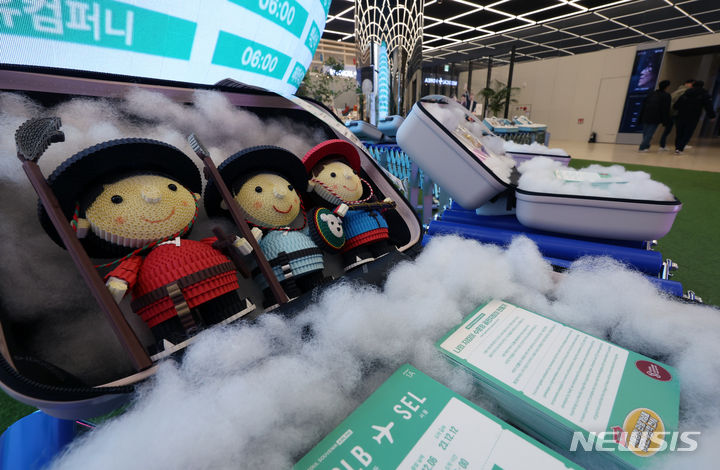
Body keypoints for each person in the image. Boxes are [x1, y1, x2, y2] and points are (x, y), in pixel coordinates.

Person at [673, 80, 717, 154]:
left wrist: (677, 109)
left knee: (679, 132)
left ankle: (677, 147)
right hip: (693, 116)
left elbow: (677, 104)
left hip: (681, 115)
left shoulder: (686, 93)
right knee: (688, 132)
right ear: (702, 86)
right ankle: (680, 148)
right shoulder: (704, 94)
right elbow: (708, 106)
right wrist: (712, 116)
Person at [659, 78, 693, 151]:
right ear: (687, 84)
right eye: (692, 84)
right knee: (680, 130)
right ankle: (681, 144)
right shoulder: (685, 92)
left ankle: (662, 145)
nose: (692, 86)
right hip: (677, 113)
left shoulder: (677, 90)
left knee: (667, 130)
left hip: (670, 112)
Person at [638, 80, 671, 152]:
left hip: (646, 115)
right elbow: (665, 108)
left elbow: (644, 104)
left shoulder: (651, 93)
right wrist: (665, 120)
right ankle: (642, 147)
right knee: (649, 133)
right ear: (667, 87)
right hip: (656, 117)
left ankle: (646, 146)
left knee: (646, 132)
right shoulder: (666, 95)